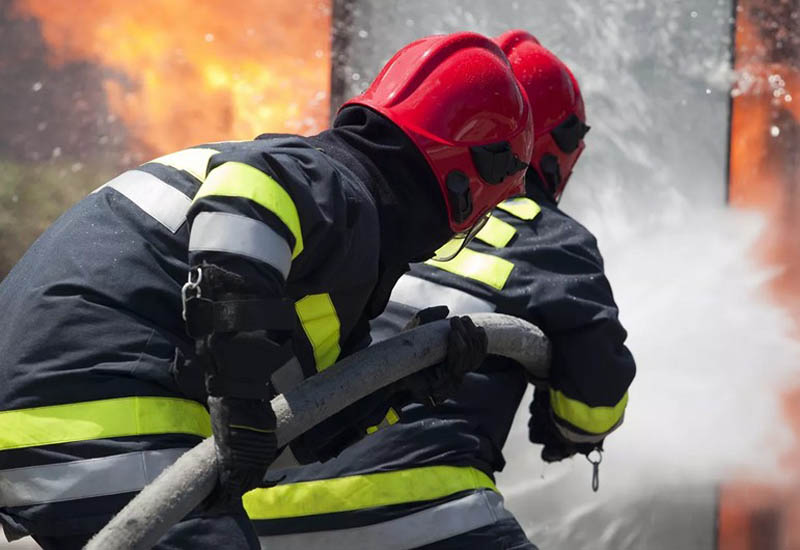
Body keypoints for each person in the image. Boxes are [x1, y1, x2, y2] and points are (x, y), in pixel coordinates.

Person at [0, 32, 534, 550]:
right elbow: (248, 193)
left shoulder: (324, 255)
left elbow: (278, 440)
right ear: (468, 181)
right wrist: (237, 395)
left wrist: (401, 387)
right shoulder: (332, 184)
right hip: (97, 406)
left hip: (50, 410)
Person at [249, 30, 636, 550]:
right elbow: (594, 404)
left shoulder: (365, 210)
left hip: (256, 513)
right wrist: (566, 426)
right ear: (547, 148)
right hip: (415, 509)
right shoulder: (548, 237)